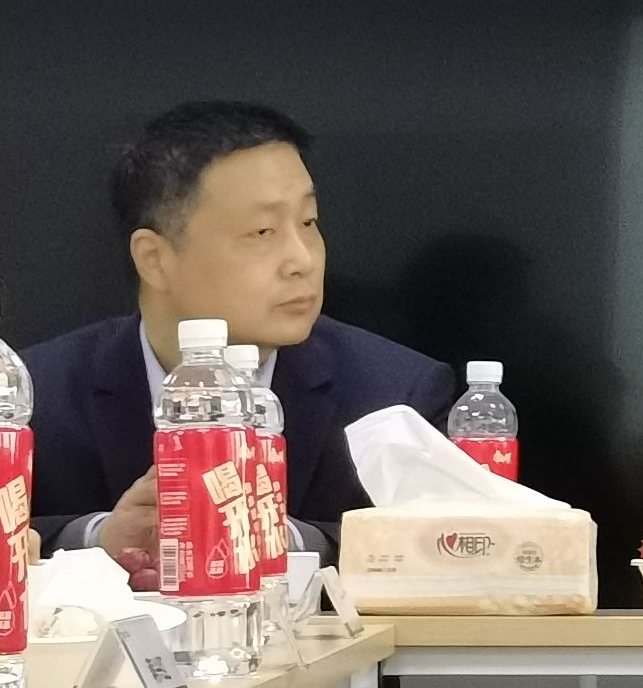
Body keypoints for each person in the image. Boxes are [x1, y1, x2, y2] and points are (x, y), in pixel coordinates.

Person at [24, 100, 460, 565]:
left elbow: (452, 550)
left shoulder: (396, 396)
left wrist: (293, 542)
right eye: (263, 231)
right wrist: (95, 537)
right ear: (154, 258)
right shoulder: (38, 395)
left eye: (309, 222)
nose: (303, 260)